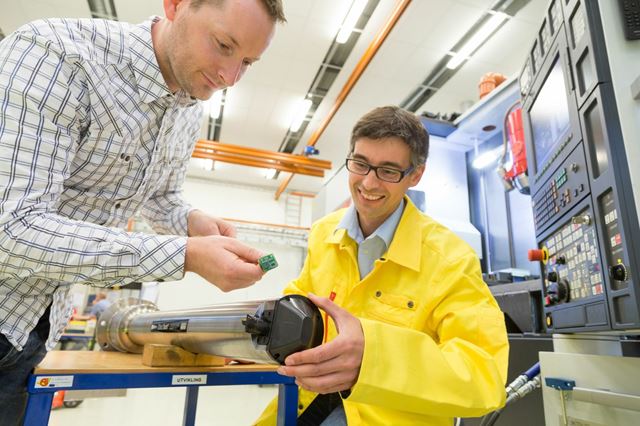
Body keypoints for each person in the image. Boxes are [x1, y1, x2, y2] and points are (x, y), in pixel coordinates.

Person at [0, 0, 285, 424]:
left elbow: (159, 195)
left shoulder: (188, 110)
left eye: (247, 62)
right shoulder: (56, 55)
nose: (229, 77)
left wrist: (192, 223)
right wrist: (184, 255)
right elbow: (12, 228)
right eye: (224, 45)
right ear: (176, 6)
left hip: (35, 330)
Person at [255, 106, 509, 425]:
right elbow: (302, 299)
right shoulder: (324, 233)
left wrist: (373, 359)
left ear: (415, 175)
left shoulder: (451, 258)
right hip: (304, 405)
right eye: (361, 164)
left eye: (388, 171)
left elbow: (485, 377)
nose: (369, 184)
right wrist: (261, 323)